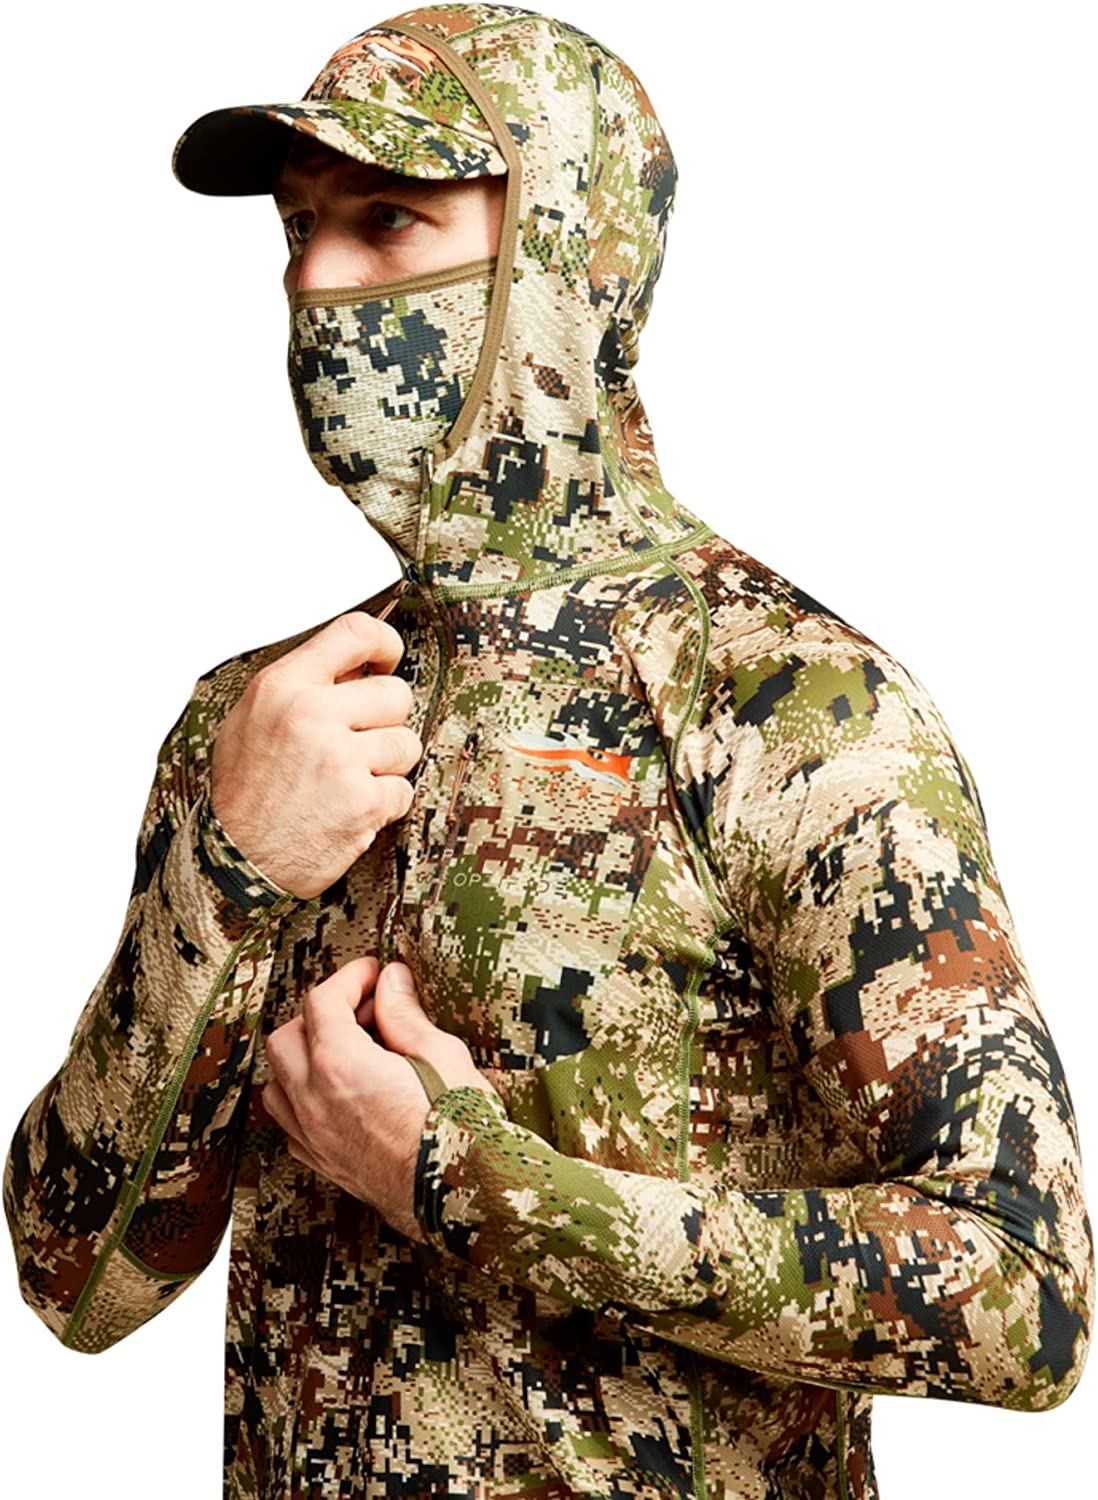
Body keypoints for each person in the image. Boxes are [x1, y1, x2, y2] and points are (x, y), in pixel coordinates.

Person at [4, 5, 1093, 1497]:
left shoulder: (785, 706)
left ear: (567, 255)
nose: (315, 282)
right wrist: (224, 870)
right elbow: (79, 1285)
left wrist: (465, 1183)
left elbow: (1025, 1298)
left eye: (388, 221)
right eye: (299, 228)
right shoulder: (261, 722)